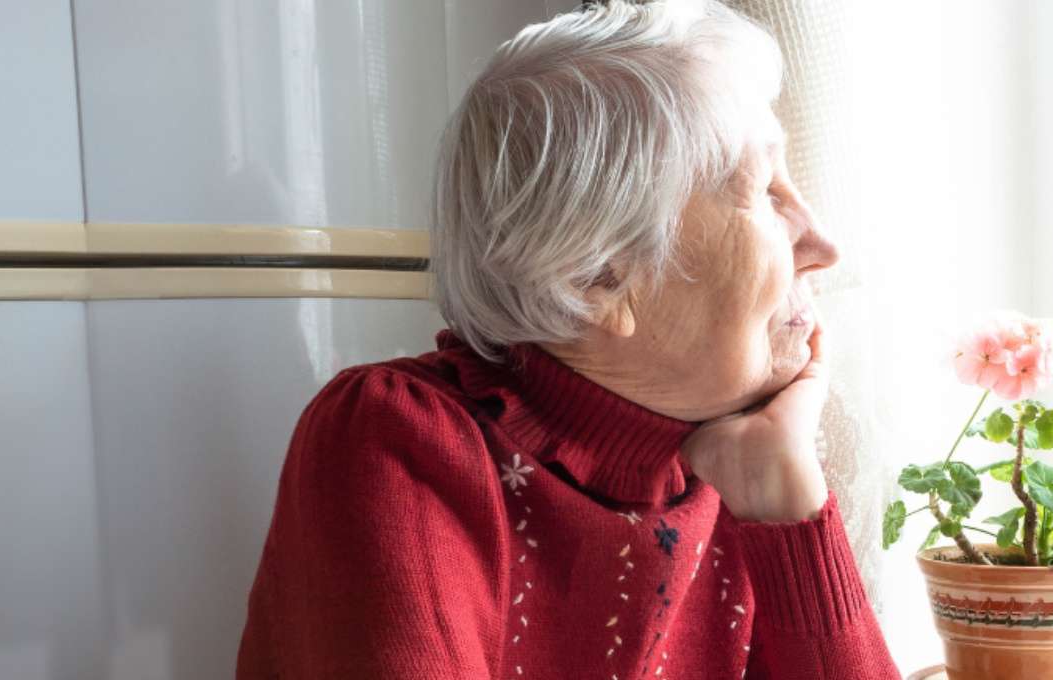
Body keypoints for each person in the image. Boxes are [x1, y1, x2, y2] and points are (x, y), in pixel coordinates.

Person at [235, 1, 900, 677]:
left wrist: (785, 502)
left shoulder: (738, 459)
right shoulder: (400, 441)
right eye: (764, 192)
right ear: (596, 277)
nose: (823, 245)